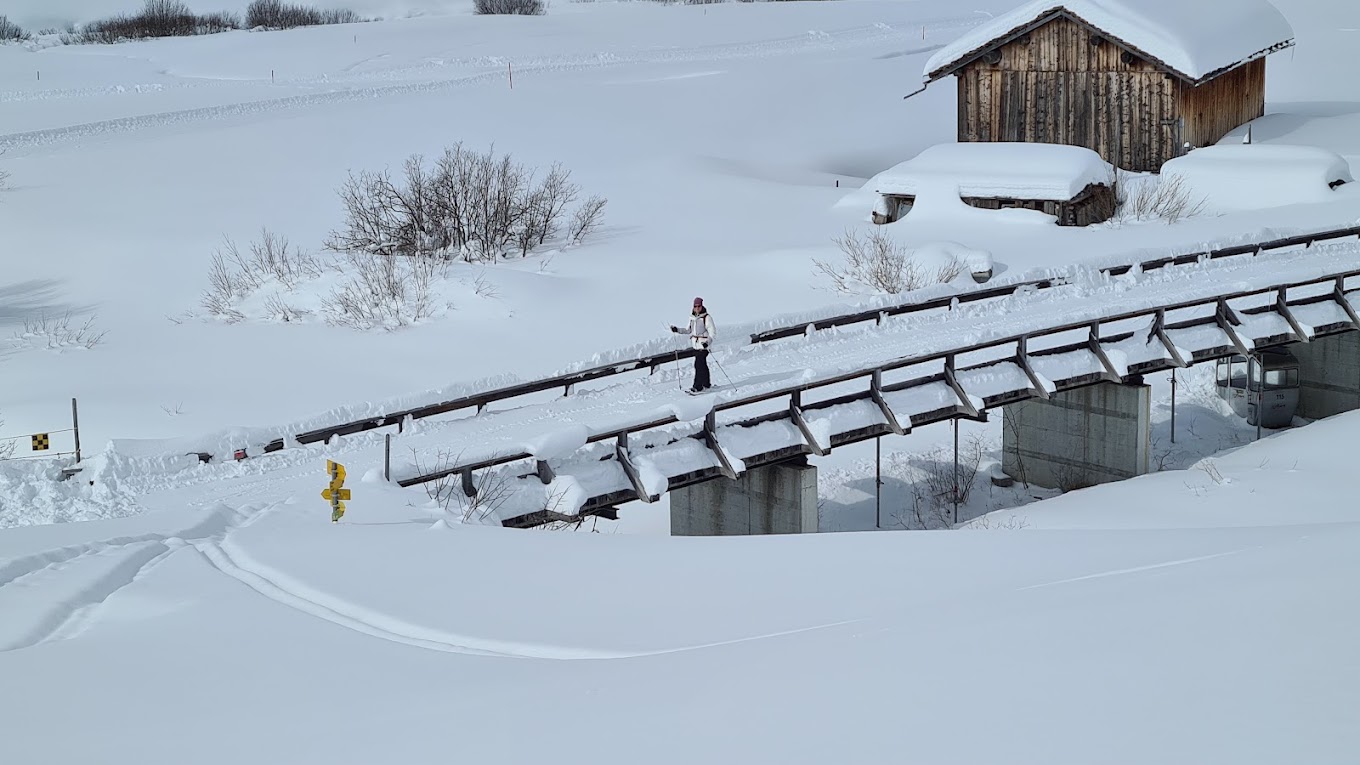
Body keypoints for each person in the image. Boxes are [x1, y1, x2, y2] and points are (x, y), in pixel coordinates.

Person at [671, 297, 716, 393]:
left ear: (702, 305)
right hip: (696, 346)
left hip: (703, 346)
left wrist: (707, 342)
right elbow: (688, 330)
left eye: (699, 306)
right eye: (695, 306)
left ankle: (697, 387)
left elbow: (712, 332)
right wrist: (677, 330)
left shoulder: (706, 318)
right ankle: (706, 384)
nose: (697, 308)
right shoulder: (692, 318)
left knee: (698, 365)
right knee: (702, 365)